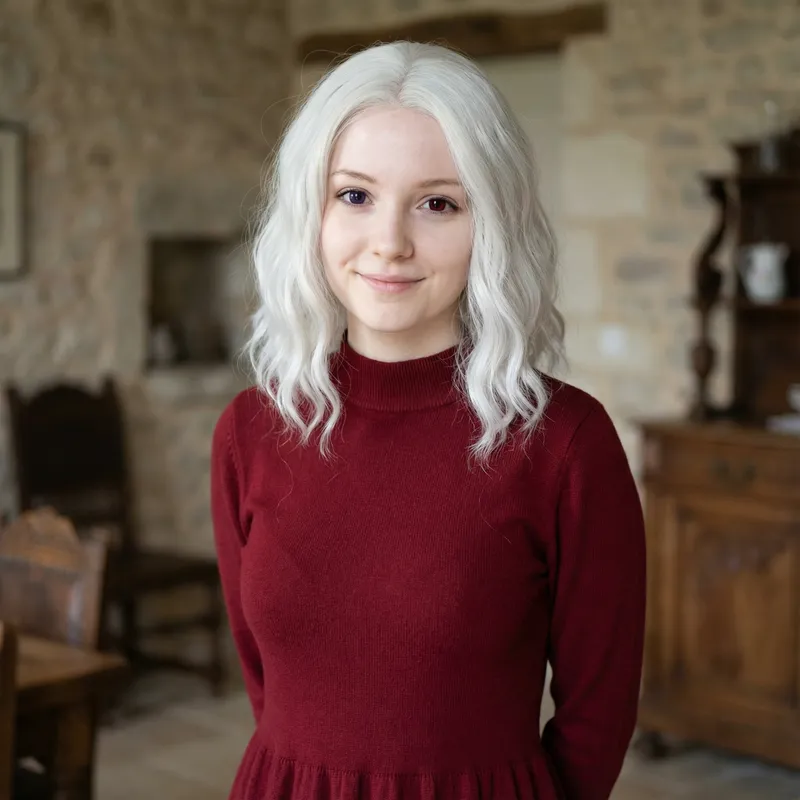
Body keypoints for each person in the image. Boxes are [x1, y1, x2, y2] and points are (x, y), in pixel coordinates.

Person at [211, 40, 646, 800]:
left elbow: (599, 711)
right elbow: (266, 679)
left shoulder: (566, 443)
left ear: (494, 223)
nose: (390, 242)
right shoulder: (251, 429)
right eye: (354, 196)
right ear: (310, 210)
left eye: (438, 202)